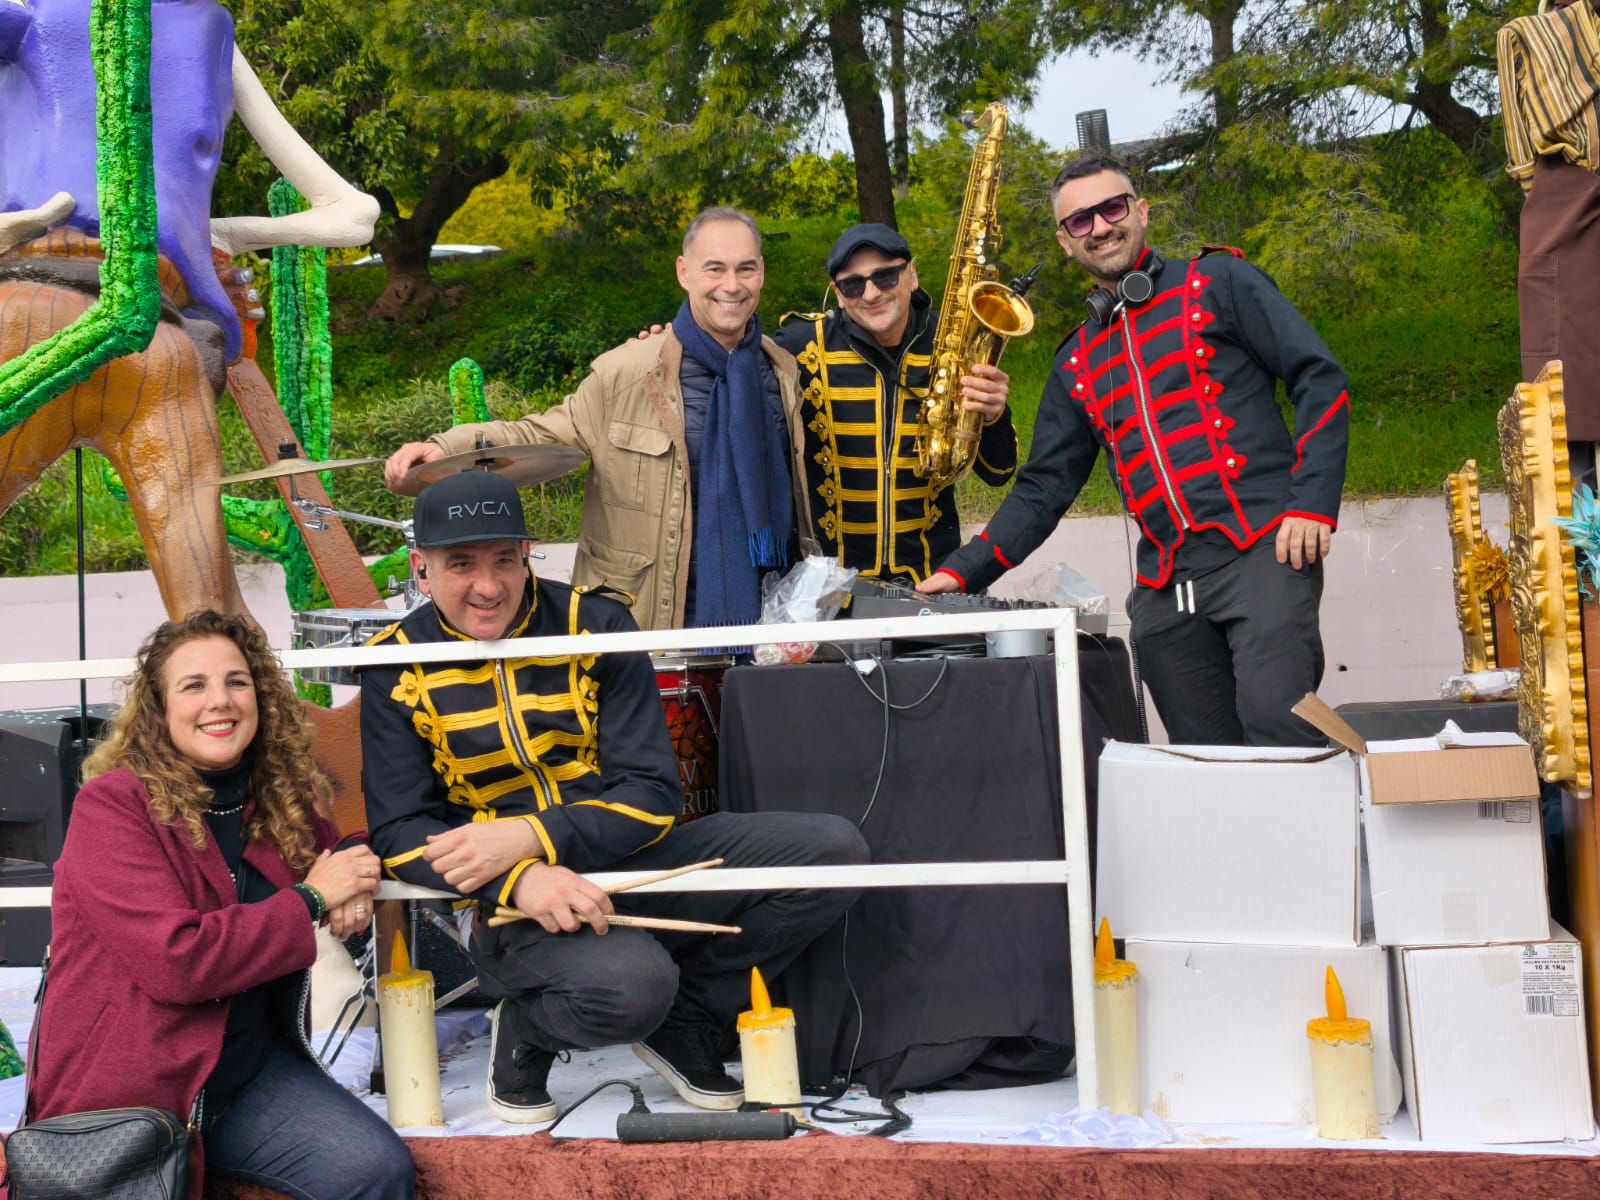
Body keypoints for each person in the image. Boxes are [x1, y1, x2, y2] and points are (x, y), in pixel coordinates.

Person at [360, 469, 868, 1123]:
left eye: (504, 561)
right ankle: (530, 1029)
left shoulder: (596, 624)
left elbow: (653, 797)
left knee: (835, 851)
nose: (487, 587)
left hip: (628, 854)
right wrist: (520, 879)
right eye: (460, 565)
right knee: (635, 986)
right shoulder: (392, 661)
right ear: (420, 569)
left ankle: (690, 1018)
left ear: (528, 557)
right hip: (499, 900)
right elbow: (399, 833)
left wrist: (529, 835)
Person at [922, 154, 1350, 747]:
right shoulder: (1075, 359)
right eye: (1080, 221)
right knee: (1204, 763)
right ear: (1066, 243)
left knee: (1279, 724)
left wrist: (1312, 503)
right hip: (1167, 585)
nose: (1099, 227)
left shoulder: (1219, 283)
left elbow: (1318, 377)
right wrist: (963, 570)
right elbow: (1044, 488)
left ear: (1141, 211)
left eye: (1111, 208)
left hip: (1263, 551)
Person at [31, 610, 412, 1200]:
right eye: (194, 685)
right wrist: (313, 898)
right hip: (134, 1086)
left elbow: (336, 850)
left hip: (245, 1073)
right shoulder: (113, 807)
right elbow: (177, 963)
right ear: (159, 708)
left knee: (374, 1170)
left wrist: (357, 869)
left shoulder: (273, 800)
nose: (221, 701)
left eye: (237, 681)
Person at [383, 206, 814, 631]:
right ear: (684, 272)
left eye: (746, 269)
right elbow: (539, 433)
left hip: (769, 624)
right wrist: (447, 448)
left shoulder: (783, 372)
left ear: (762, 272)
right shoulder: (628, 374)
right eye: (715, 269)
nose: (732, 285)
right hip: (644, 626)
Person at [773, 222, 1017, 583]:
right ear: (837, 293)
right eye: (853, 284)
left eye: (885, 277)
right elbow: (728, 363)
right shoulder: (800, 345)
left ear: (912, 275)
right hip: (824, 586)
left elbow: (999, 473)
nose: (870, 294)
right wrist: (665, 345)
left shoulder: (954, 344)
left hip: (933, 578)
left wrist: (993, 415)